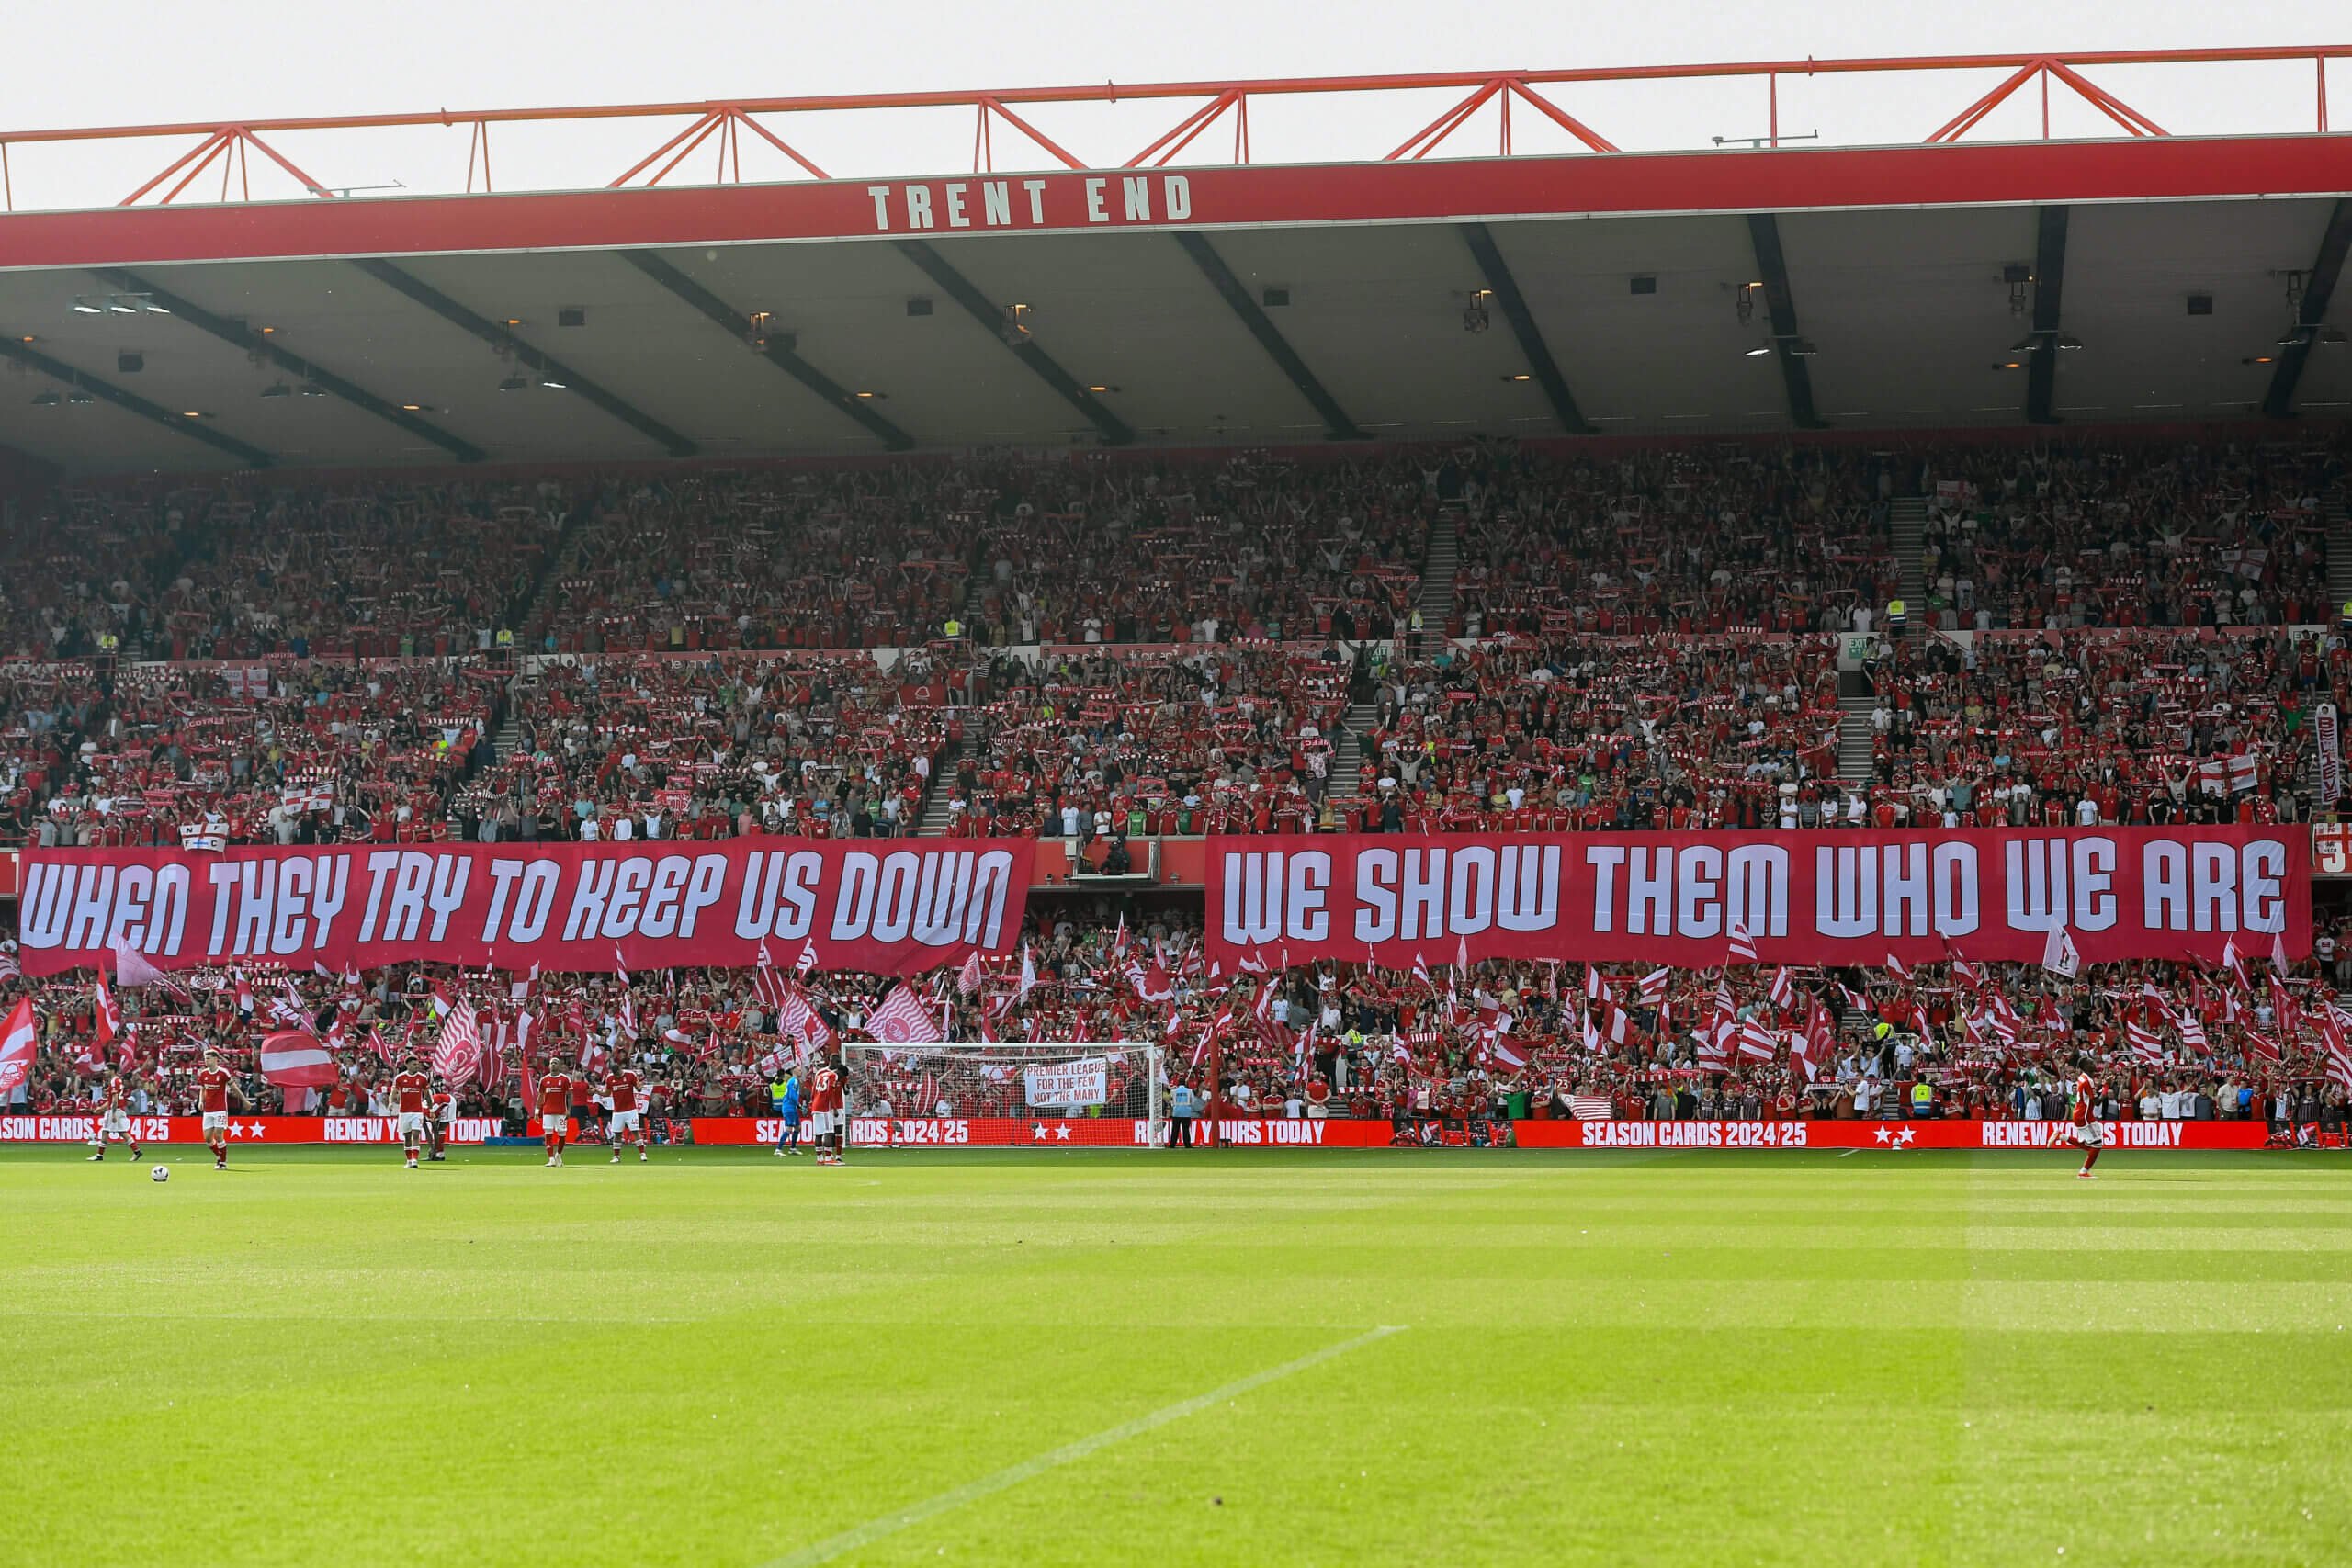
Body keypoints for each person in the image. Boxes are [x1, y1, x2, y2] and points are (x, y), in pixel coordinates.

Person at [195, 1051, 239, 1171]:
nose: (206, 1061)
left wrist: (244, 1101)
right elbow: (203, 1088)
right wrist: (200, 1101)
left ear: (215, 1059)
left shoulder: (223, 1073)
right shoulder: (203, 1074)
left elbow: (234, 1087)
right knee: (208, 1138)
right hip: (208, 1109)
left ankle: (223, 1162)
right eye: (205, 1058)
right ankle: (219, 1156)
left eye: (208, 1058)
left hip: (220, 1109)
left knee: (218, 1135)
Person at [86, 1073, 141, 1163]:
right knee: (122, 1132)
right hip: (120, 1109)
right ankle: (137, 1151)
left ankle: (99, 1155)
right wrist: (101, 1108)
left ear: (112, 1070)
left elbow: (115, 1100)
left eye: (107, 1070)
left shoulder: (113, 1082)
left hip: (114, 1110)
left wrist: (113, 1113)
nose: (104, 1072)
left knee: (105, 1131)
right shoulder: (118, 1081)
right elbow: (112, 1100)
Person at [390, 1056, 431, 1170]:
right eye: (414, 1064)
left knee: (416, 1134)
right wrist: (390, 1103)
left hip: (417, 1111)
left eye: (417, 1064)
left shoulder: (422, 1078)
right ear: (407, 1065)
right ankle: (408, 1160)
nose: (417, 1066)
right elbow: (393, 1092)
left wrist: (431, 1109)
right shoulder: (400, 1078)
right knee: (407, 1137)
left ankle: (414, 1160)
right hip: (404, 1112)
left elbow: (427, 1095)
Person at [605, 1064, 649, 1163]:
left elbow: (639, 1088)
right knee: (617, 1134)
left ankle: (643, 1154)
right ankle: (616, 1156)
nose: (617, 1076)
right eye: (615, 1074)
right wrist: (597, 1092)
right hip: (617, 1111)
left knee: (635, 1131)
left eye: (618, 1073)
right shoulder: (609, 1078)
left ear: (621, 1069)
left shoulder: (630, 1075)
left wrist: (640, 1086)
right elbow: (607, 1093)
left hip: (631, 1109)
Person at [2068, 1068, 2105, 1179]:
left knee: (2092, 1146)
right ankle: (2083, 1172)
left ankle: (2062, 1136)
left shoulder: (2082, 1077)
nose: (2093, 1065)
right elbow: (2097, 1102)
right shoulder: (2087, 1080)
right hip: (2084, 1117)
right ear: (2086, 1066)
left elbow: (2089, 1092)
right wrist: (2106, 1087)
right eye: (2091, 1064)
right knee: (2097, 1144)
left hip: (2082, 1114)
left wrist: (2100, 1085)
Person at [537, 1063, 574, 1168]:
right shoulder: (544, 1080)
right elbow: (540, 1095)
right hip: (547, 1112)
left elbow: (570, 1095)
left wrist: (569, 1110)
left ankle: (558, 1154)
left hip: (561, 1112)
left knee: (562, 1135)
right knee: (548, 1134)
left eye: (555, 1063)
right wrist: (537, 1110)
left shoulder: (565, 1079)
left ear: (559, 1066)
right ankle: (551, 1159)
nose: (553, 1065)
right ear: (549, 1066)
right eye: (552, 1063)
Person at [810, 1056, 844, 1166]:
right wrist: (834, 1108)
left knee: (818, 1134)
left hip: (816, 1107)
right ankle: (829, 1158)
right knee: (829, 1132)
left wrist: (813, 1103)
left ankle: (820, 1159)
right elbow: (830, 1092)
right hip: (825, 1108)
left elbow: (813, 1092)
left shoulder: (819, 1075)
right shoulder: (833, 1075)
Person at [772, 1068, 805, 1156]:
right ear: (794, 1072)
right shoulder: (794, 1081)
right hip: (789, 1108)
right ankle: (778, 1149)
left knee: (798, 1128)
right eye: (799, 1070)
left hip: (792, 1108)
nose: (801, 1072)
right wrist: (799, 1105)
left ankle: (793, 1148)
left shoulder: (793, 1081)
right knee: (789, 1129)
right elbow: (791, 1095)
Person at [1168, 1077, 1195, 1148]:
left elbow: (1172, 1102)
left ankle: (1172, 1144)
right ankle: (1187, 1144)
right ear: (1185, 1083)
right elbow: (1193, 1101)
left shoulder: (1174, 1091)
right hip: (1186, 1112)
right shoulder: (1189, 1091)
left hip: (1176, 1112)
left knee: (1175, 1129)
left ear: (1178, 1083)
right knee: (1186, 1129)